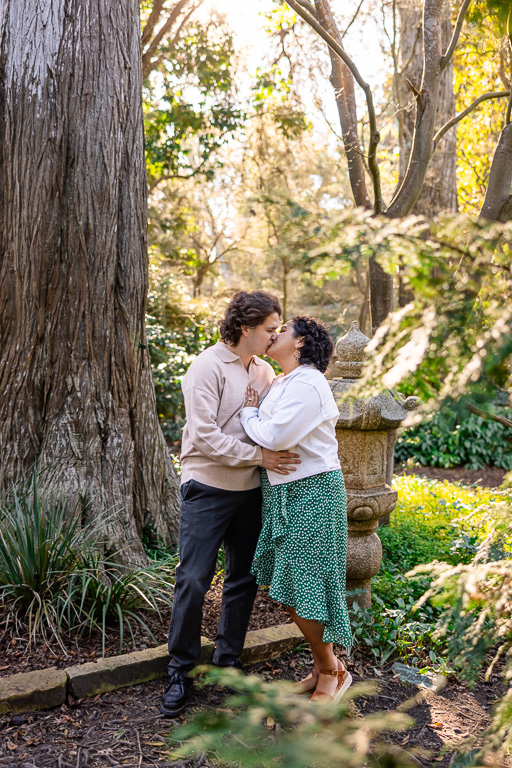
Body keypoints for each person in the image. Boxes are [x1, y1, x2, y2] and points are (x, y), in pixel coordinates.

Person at [160, 290, 301, 718]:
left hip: (252, 490)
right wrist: (259, 457)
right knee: (193, 579)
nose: (275, 336)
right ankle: (180, 671)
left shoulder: (264, 371)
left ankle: (228, 661)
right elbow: (204, 436)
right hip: (207, 486)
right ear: (244, 327)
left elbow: (272, 424)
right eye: (269, 329)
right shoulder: (205, 366)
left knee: (243, 578)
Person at [241, 316, 353, 704]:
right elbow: (271, 435)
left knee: (306, 585)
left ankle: (332, 672)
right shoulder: (283, 382)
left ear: (301, 342)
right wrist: (261, 423)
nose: (275, 334)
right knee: (290, 586)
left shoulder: (309, 383)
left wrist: (249, 414)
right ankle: (324, 667)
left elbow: (275, 436)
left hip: (313, 493)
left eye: (284, 329)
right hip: (282, 493)